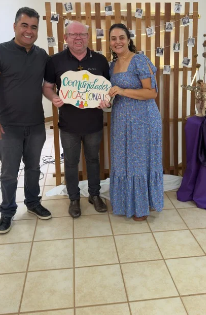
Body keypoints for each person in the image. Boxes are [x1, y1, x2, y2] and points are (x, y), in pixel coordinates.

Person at [0, 7, 53, 234]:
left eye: (34, 27)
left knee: (34, 168)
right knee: (9, 172)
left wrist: (59, 97)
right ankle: (7, 211)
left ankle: (33, 203)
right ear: (15, 26)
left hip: (35, 124)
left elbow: (49, 85)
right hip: (8, 126)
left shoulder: (41, 56)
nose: (29, 31)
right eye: (24, 25)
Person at [43, 21, 110, 218]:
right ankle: (73, 198)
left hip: (93, 123)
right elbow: (47, 87)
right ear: (66, 38)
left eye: (82, 34)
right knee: (71, 162)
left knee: (93, 160)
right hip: (68, 124)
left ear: (88, 37)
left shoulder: (100, 60)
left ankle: (94, 195)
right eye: (73, 34)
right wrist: (53, 97)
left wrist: (106, 100)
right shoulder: (55, 61)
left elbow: (108, 89)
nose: (78, 38)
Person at [103, 23, 163, 221]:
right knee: (123, 161)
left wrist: (123, 91)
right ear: (109, 42)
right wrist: (107, 100)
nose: (117, 42)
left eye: (121, 37)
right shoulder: (112, 66)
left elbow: (152, 93)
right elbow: (113, 93)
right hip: (121, 120)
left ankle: (142, 207)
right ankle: (125, 203)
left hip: (143, 119)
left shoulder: (139, 60)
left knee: (139, 162)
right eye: (113, 39)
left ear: (128, 40)